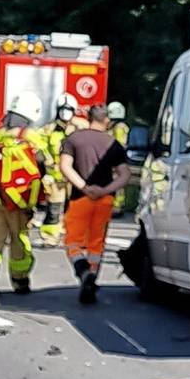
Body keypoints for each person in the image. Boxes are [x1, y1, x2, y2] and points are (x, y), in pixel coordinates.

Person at [57, 104, 134, 305]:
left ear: (88, 117)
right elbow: (125, 174)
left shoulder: (73, 139)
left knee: (72, 241)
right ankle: (91, 280)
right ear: (106, 120)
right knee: (96, 243)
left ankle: (82, 270)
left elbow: (65, 166)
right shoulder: (113, 144)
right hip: (104, 200)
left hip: (79, 199)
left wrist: (85, 187)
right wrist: (104, 190)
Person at [0, 98, 44, 296]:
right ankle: (20, 280)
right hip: (20, 201)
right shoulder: (33, 138)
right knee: (19, 240)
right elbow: (44, 164)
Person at [31, 101, 76, 247]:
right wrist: (46, 160)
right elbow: (38, 145)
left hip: (75, 177)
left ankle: (74, 237)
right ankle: (50, 238)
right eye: (62, 109)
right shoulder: (49, 129)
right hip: (55, 178)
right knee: (54, 209)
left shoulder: (78, 128)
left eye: (68, 110)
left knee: (75, 208)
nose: (65, 113)